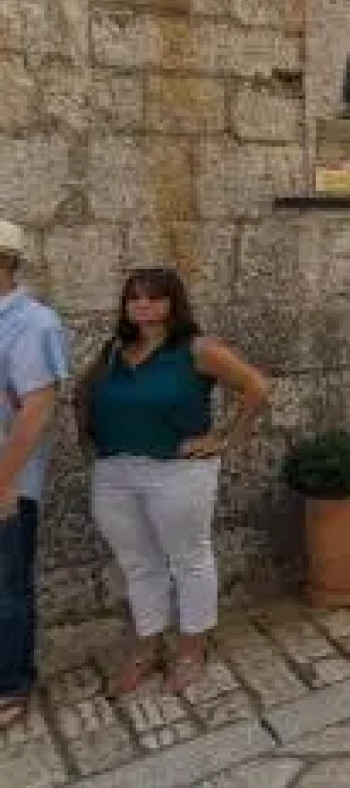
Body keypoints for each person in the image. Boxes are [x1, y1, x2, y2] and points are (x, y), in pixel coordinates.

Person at [81, 268, 270, 696]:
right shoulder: (114, 350)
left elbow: (257, 387)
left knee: (189, 559)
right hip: (115, 472)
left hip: (177, 472)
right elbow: (85, 396)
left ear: (173, 303)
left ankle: (190, 651)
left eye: (153, 297)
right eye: (134, 298)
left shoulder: (197, 350)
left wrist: (223, 439)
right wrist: (89, 441)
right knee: (138, 563)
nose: (142, 305)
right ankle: (147, 648)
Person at [0, 220, 70, 731]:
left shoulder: (34, 323)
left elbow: (37, 410)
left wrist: (3, 482)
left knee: (6, 589)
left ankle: (10, 684)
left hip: (6, 483)